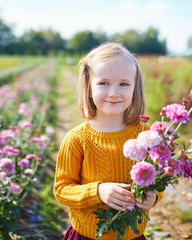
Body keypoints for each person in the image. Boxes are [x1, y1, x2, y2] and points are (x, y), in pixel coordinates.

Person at [54, 42, 162, 240]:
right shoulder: (77, 139)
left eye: (124, 83)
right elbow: (62, 190)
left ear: (134, 89)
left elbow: (156, 180)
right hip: (88, 235)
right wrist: (98, 191)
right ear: (89, 88)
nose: (114, 92)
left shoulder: (146, 135)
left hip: (132, 235)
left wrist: (153, 197)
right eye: (104, 83)